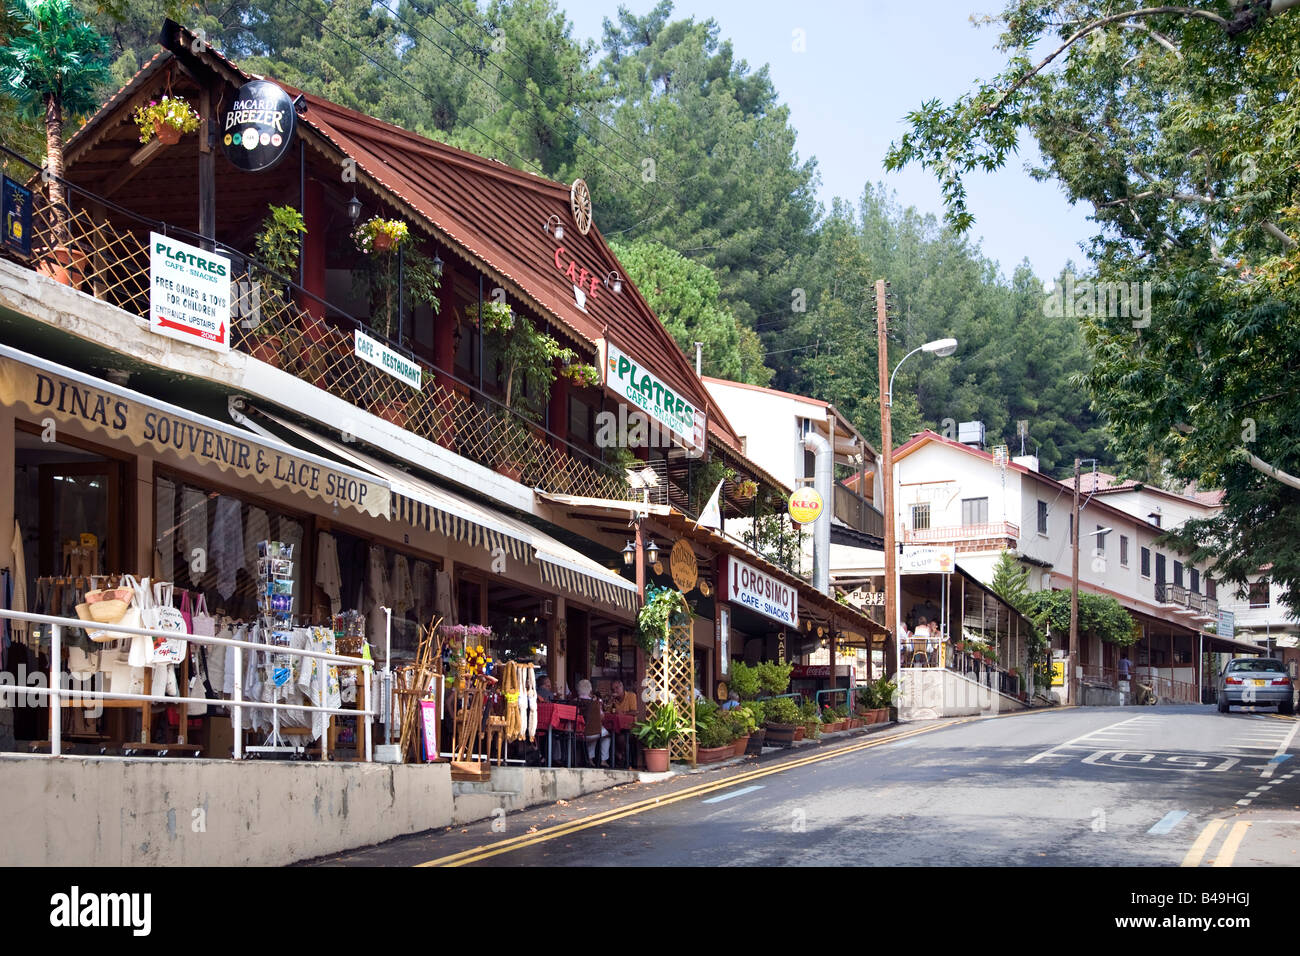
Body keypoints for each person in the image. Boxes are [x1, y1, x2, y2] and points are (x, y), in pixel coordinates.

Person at [577, 679, 610, 766]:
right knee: (606, 735)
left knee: (593, 734)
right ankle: (603, 759)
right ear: (590, 690)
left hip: (578, 733)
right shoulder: (596, 702)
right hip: (593, 732)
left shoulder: (575, 701)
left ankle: (590, 759)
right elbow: (602, 717)